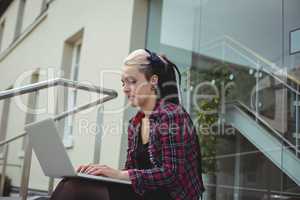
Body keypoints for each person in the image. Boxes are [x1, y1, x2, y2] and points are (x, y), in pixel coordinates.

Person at [50, 49, 204, 200]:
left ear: (153, 80)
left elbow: (172, 173)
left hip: (170, 195)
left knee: (76, 188)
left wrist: (120, 174)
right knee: (73, 181)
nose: (125, 89)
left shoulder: (171, 114)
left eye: (132, 81)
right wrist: (103, 173)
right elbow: (131, 170)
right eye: (123, 82)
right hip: (144, 192)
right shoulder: (136, 122)